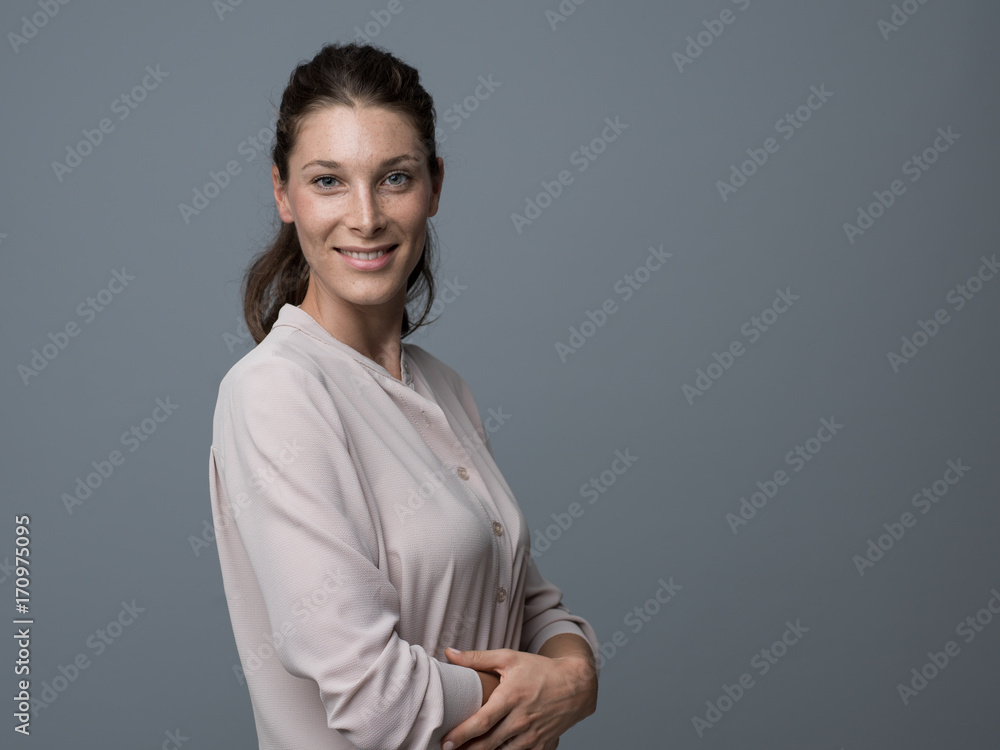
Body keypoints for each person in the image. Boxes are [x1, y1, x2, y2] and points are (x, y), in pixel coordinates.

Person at [208, 42, 600, 750]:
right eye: (328, 181)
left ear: (434, 186)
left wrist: (575, 678)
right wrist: (541, 691)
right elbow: (374, 697)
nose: (365, 217)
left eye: (394, 178)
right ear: (283, 194)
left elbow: (529, 605)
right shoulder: (276, 393)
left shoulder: (442, 386)